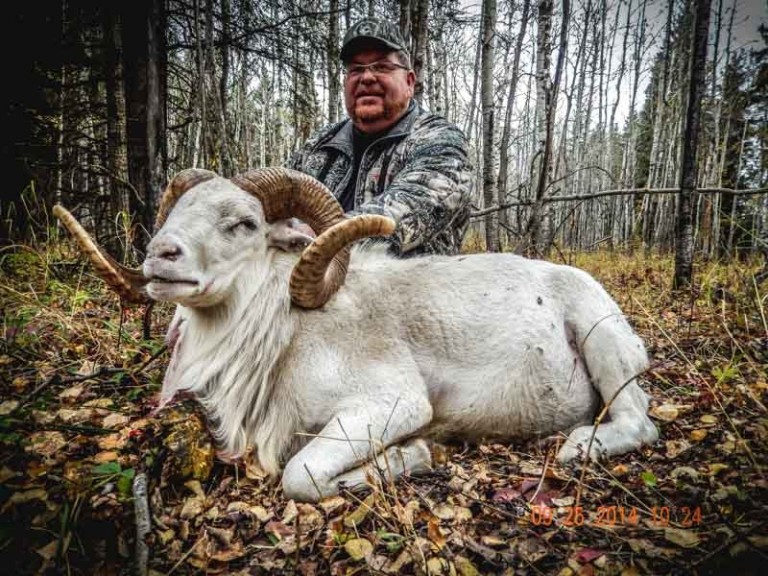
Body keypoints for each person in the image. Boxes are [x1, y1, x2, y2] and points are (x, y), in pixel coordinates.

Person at [288, 17, 473, 257]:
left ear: (409, 82)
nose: (366, 77)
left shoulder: (440, 141)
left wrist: (315, 234)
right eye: (356, 69)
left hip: (410, 290)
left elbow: (409, 210)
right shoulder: (320, 145)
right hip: (312, 286)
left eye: (382, 67)